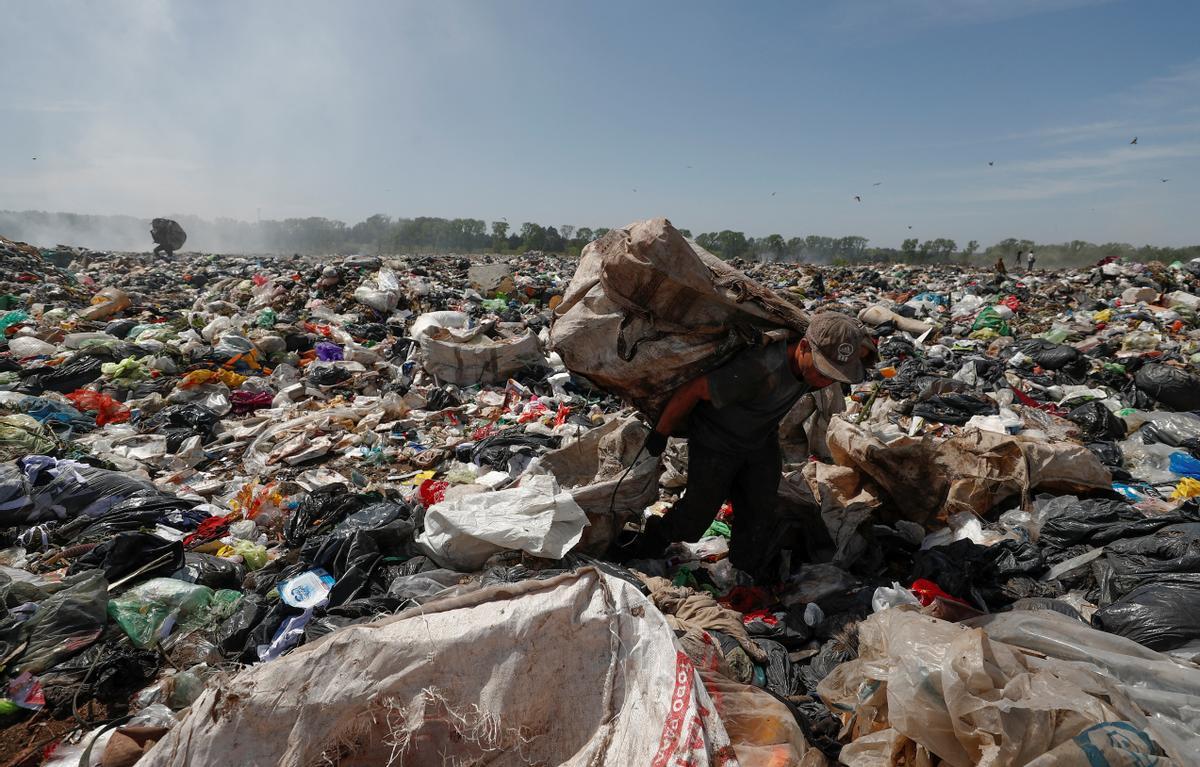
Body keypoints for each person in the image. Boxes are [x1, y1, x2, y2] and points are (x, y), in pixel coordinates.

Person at [629, 312, 872, 580]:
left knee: (760, 509)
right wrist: (660, 434)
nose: (826, 381)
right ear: (803, 347)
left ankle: (743, 572)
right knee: (695, 517)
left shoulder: (811, 369)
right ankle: (647, 544)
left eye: (833, 374)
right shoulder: (760, 367)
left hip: (760, 439)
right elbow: (695, 389)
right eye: (822, 371)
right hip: (716, 441)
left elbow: (860, 348)